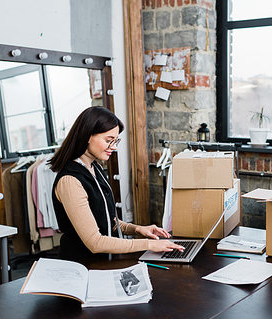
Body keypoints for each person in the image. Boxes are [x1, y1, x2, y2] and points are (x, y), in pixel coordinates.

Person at [49, 106, 184, 261]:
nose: (113, 147)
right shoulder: (70, 181)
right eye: (108, 141)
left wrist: (138, 229)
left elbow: (107, 221)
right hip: (83, 267)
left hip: (103, 263)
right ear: (87, 135)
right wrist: (148, 244)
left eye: (115, 141)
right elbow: (95, 242)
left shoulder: (95, 168)